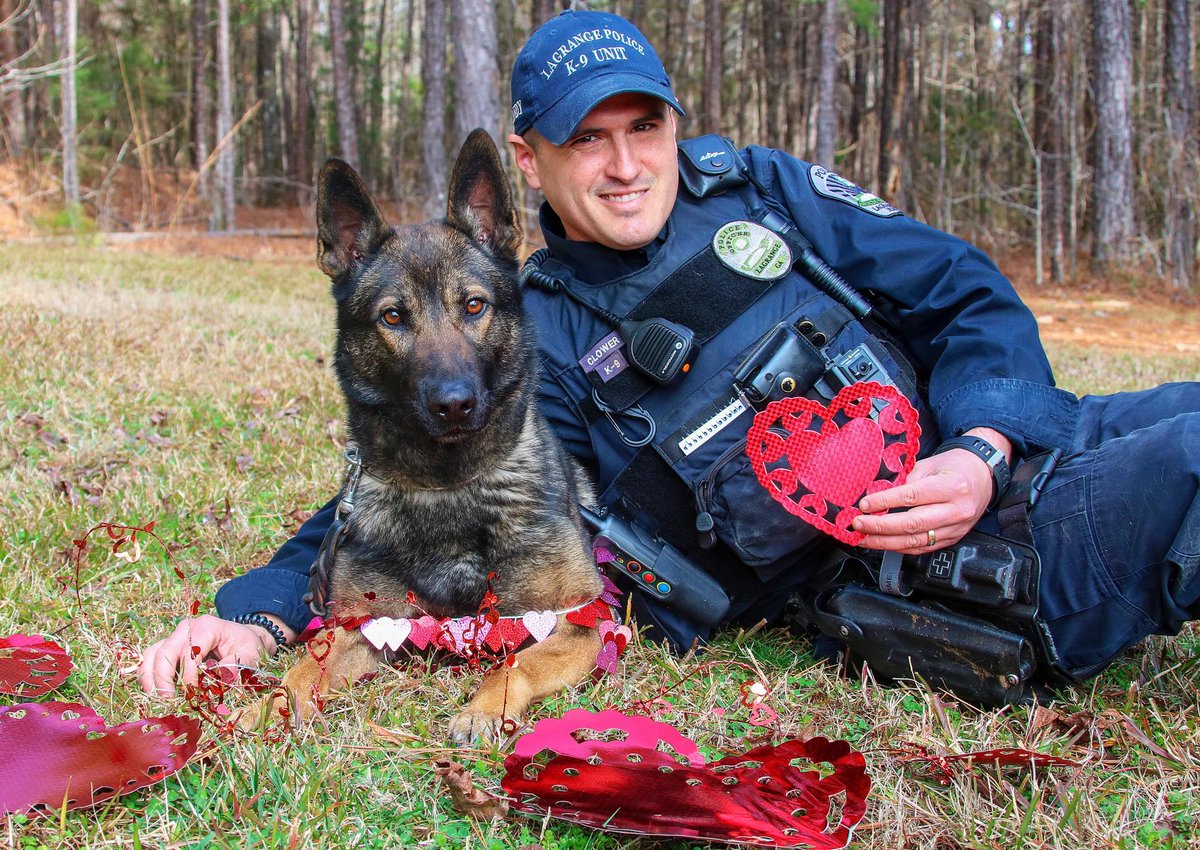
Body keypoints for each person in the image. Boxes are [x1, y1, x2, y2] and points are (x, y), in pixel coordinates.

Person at [140, 10, 1200, 705]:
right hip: (923, 566)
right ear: (529, 160)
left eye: (643, 127)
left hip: (994, 456)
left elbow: (961, 288)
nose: (624, 164)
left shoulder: (757, 190)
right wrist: (256, 611)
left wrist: (980, 442)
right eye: (586, 139)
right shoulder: (530, 335)